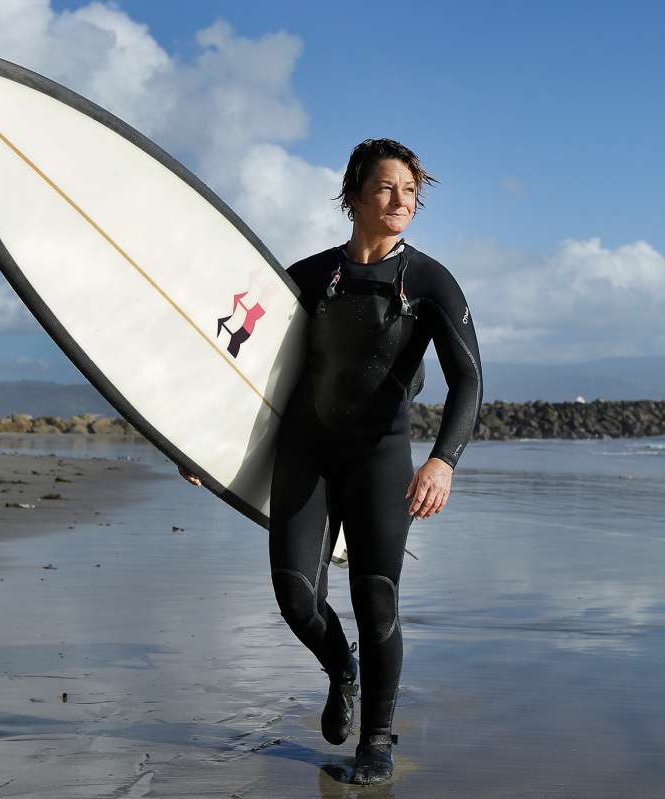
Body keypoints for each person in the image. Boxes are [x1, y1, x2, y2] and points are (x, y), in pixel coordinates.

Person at [184, 138, 482, 785]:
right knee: (296, 597)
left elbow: (469, 381)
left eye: (410, 191)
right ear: (353, 196)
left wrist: (443, 461)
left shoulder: (429, 281)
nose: (401, 200)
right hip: (306, 450)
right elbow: (248, 368)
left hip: (380, 456)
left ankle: (375, 741)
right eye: (386, 188)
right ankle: (340, 666)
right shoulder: (309, 277)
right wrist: (202, 443)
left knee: (376, 599)